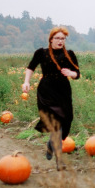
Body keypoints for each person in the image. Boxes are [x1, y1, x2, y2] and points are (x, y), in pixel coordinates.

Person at [22, 26, 80, 160]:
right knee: (56, 119)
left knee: (67, 119)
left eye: (63, 39)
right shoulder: (41, 53)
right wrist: (26, 82)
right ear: (51, 39)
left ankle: (51, 142)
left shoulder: (69, 54)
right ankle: (54, 145)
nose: (60, 41)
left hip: (63, 89)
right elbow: (31, 68)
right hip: (47, 89)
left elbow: (77, 73)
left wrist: (71, 73)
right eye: (57, 38)